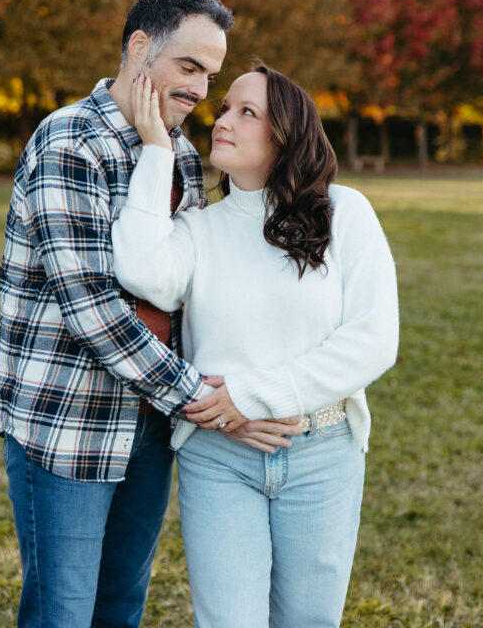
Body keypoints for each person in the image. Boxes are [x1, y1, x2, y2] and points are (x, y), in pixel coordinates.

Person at [0, 0, 291, 628]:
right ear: (139, 47)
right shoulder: (68, 143)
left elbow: (183, 285)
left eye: (209, 75)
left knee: (121, 605)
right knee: (63, 612)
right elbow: (92, 310)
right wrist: (210, 403)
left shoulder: (181, 156)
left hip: (151, 426)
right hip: (68, 426)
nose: (198, 91)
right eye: (188, 68)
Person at [112, 65, 399, 628]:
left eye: (248, 112)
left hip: (322, 451)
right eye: (224, 108)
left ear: (285, 135)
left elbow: (374, 340)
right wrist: (155, 149)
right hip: (219, 458)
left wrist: (252, 394)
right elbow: (143, 271)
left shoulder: (344, 213)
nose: (223, 120)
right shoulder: (198, 228)